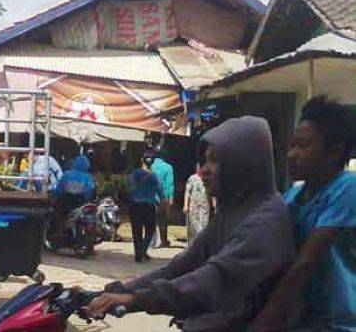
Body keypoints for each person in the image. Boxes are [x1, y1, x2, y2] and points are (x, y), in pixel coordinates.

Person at [86, 116, 295, 331]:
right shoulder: (233, 210)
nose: (203, 170)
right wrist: (121, 290)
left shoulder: (264, 221)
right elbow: (184, 264)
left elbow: (213, 280)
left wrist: (135, 299)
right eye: (204, 161)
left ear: (242, 163)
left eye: (215, 160)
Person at [253, 97, 355, 331]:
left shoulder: (347, 189)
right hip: (305, 320)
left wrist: (264, 323)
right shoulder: (292, 196)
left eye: (303, 146)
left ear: (334, 152)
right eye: (292, 145)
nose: (291, 154)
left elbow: (305, 264)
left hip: (341, 322)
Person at [50, 154, 96, 240]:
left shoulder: (67, 174)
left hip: (67, 200)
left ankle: (59, 232)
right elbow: (90, 190)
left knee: (58, 213)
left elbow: (59, 189)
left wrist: (53, 194)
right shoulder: (88, 177)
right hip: (82, 201)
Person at [128, 155, 164, 262]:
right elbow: (160, 190)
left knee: (136, 230)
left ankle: (138, 254)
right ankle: (143, 250)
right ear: (152, 163)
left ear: (141, 160)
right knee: (150, 230)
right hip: (149, 205)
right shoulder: (154, 176)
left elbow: (130, 187)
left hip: (136, 205)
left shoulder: (134, 174)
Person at [183, 166, 212, 244]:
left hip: (205, 207)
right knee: (193, 227)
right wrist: (185, 205)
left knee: (204, 226)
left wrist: (214, 205)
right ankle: (192, 245)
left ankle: (202, 245)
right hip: (194, 207)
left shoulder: (208, 178)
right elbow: (187, 192)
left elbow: (211, 193)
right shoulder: (192, 178)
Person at [152, 153, 174, 248]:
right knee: (163, 220)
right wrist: (171, 198)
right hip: (163, 198)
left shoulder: (151, 167)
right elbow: (170, 184)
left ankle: (151, 242)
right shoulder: (168, 167)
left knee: (151, 220)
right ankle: (163, 241)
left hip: (151, 197)